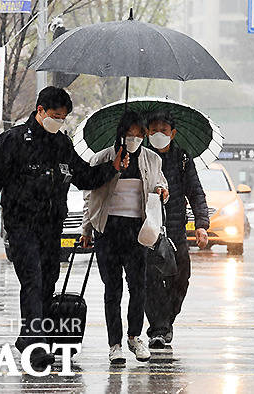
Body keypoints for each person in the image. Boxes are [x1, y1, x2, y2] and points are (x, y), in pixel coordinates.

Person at [0, 86, 127, 371]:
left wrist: (112, 167)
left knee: (47, 283)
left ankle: (28, 335)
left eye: (63, 118)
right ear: (40, 111)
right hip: (21, 224)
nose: (59, 122)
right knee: (32, 278)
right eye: (55, 116)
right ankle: (36, 347)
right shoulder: (13, 141)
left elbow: (84, 176)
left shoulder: (62, 145)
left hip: (51, 227)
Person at [79, 111, 169, 365]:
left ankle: (134, 336)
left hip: (138, 231)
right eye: (129, 134)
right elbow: (91, 196)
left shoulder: (152, 159)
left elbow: (160, 185)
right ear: (121, 133)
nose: (134, 139)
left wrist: (163, 191)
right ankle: (114, 344)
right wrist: (86, 230)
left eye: (139, 135)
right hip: (108, 229)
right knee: (113, 289)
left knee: (138, 286)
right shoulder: (104, 157)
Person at [144, 110, 209, 349]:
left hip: (176, 230)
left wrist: (201, 225)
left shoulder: (182, 158)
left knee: (180, 278)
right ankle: (158, 330)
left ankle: (167, 320)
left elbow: (196, 191)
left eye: (163, 130)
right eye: (153, 131)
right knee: (150, 280)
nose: (158, 135)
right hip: (148, 230)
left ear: (173, 133)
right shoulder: (141, 156)